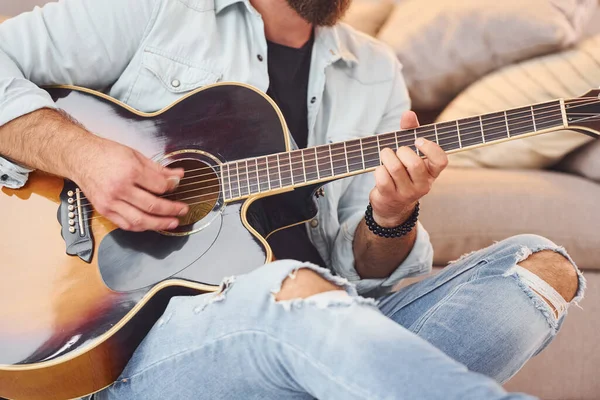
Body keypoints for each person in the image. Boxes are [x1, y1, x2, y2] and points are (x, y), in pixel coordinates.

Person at [0, 0, 585, 398]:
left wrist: (389, 216)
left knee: (540, 269)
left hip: (327, 323)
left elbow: (372, 277)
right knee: (296, 290)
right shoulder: (157, 9)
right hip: (155, 346)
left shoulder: (375, 71)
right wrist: (85, 157)